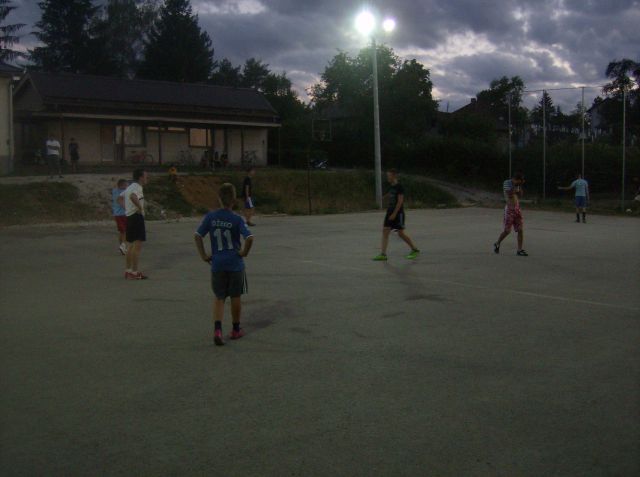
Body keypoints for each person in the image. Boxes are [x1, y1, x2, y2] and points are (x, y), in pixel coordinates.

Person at [194, 183, 254, 346]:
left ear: (219, 199)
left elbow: (198, 235)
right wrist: (244, 253)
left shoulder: (211, 217)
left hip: (218, 263)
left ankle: (218, 330)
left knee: (219, 297)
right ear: (234, 200)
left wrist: (203, 255)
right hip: (235, 263)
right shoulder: (237, 219)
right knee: (236, 295)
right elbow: (249, 238)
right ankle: (235, 329)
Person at [373, 169, 420, 261]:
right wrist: (384, 197)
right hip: (389, 211)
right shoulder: (392, 186)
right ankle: (383, 254)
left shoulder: (399, 187)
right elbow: (391, 193)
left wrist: (394, 214)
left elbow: (400, 201)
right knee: (385, 231)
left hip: (398, 213)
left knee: (400, 233)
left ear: (394, 176)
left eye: (389, 175)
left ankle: (414, 249)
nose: (388, 177)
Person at [494, 171, 528, 256]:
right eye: (520, 181)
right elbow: (509, 194)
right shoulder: (507, 182)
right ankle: (497, 243)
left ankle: (519, 250)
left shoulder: (517, 185)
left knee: (520, 229)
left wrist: (519, 186)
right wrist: (516, 186)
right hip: (509, 209)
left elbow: (520, 195)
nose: (521, 182)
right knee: (507, 231)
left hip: (517, 209)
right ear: (516, 179)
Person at [123, 169, 149, 279]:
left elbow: (121, 198)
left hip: (129, 217)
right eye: (146, 176)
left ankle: (128, 271)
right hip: (136, 217)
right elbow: (133, 197)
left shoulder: (129, 187)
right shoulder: (137, 187)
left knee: (130, 245)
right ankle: (135, 272)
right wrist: (140, 207)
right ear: (140, 177)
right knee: (137, 246)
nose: (147, 178)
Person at [112, 179, 128, 255]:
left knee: (121, 231)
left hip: (117, 214)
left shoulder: (114, 191)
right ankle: (123, 246)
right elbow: (120, 201)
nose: (127, 187)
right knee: (125, 231)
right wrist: (128, 208)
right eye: (125, 185)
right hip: (122, 214)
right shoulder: (122, 192)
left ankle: (122, 246)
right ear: (122, 185)